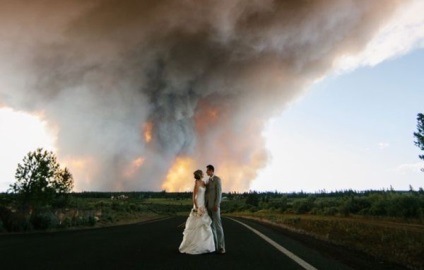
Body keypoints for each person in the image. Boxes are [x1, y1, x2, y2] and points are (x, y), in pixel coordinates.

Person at [179, 170, 215, 255]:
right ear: (200, 174)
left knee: (205, 226)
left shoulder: (203, 182)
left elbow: (208, 189)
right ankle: (195, 245)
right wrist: (196, 207)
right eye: (202, 173)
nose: (203, 174)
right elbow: (194, 197)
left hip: (203, 204)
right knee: (196, 225)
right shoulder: (196, 183)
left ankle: (206, 246)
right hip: (198, 204)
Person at [205, 164, 226, 254]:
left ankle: (221, 247)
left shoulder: (217, 179)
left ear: (211, 170)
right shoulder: (208, 181)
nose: (206, 172)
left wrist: (216, 205)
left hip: (215, 207)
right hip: (208, 207)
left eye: (207, 170)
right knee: (211, 226)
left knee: (218, 226)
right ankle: (215, 246)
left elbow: (219, 193)